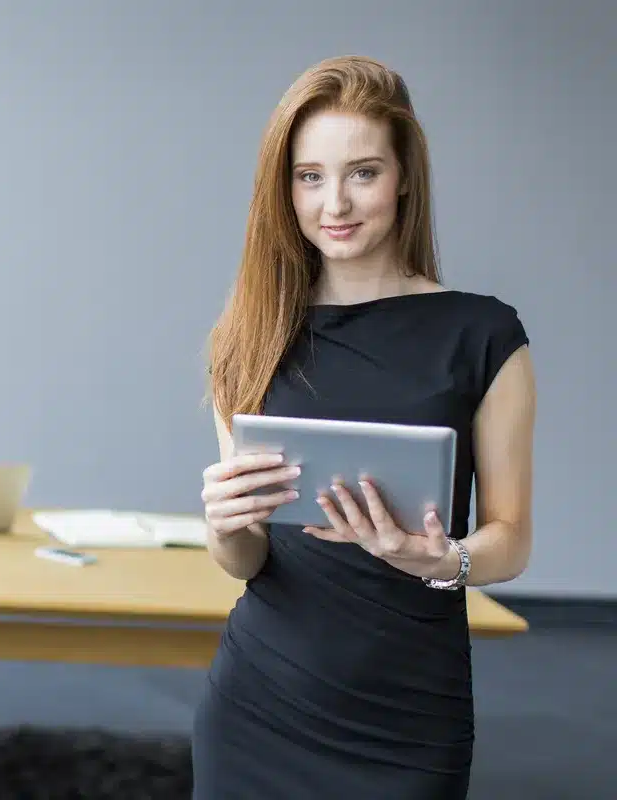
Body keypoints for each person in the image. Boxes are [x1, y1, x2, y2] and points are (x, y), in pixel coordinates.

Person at [194, 56, 536, 799]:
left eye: (363, 172)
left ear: (405, 176)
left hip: (409, 718)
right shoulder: (246, 338)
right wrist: (224, 525)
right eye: (310, 176)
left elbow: (510, 539)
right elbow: (247, 561)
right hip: (259, 706)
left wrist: (443, 559)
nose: (335, 203)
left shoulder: (483, 336)